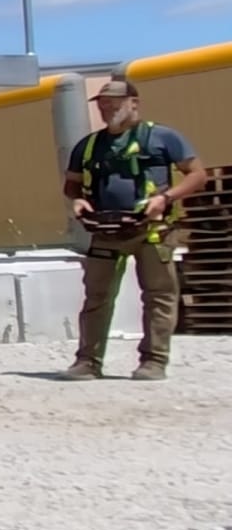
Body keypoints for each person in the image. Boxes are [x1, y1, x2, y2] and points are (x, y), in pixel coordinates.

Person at [60, 79, 205, 380]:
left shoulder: (163, 137)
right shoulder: (88, 146)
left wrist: (165, 198)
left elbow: (198, 175)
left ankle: (154, 361)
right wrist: (77, 201)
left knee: (159, 295)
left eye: (114, 102)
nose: (107, 108)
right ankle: (87, 361)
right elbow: (72, 183)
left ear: (134, 103)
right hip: (105, 231)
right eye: (102, 103)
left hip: (152, 230)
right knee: (96, 297)